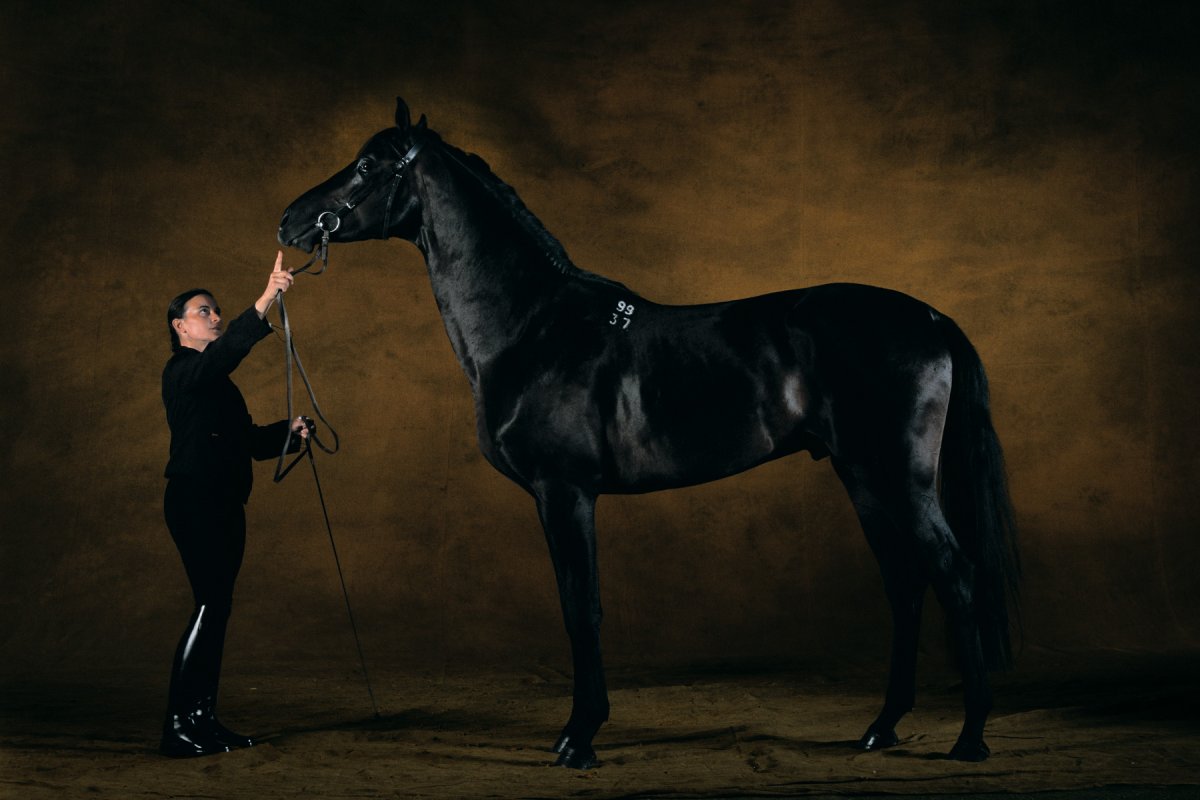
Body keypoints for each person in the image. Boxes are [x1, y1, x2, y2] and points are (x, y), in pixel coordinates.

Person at [160, 251, 311, 757]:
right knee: (209, 605)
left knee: (217, 608)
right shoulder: (182, 371)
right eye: (205, 312)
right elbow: (224, 356)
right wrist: (266, 299)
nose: (216, 317)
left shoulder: (216, 384)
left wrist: (287, 433)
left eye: (217, 310)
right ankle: (180, 727)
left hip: (224, 503)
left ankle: (202, 720)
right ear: (181, 327)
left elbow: (244, 439)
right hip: (195, 501)